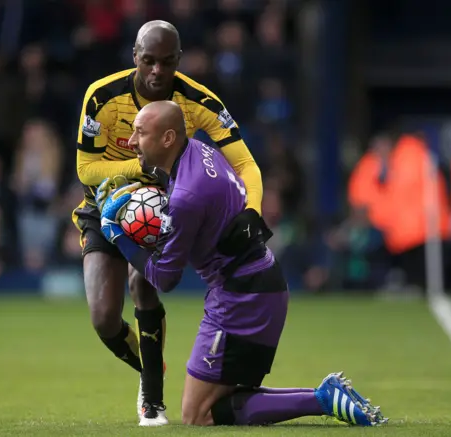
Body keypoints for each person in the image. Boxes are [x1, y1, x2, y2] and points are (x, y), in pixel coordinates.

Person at [97, 100, 388, 426]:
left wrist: (115, 234)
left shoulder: (186, 199)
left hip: (241, 298)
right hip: (261, 285)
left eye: (139, 133)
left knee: (198, 415)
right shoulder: (198, 150)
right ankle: (325, 396)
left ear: (167, 139)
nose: (131, 141)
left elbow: (165, 278)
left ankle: (322, 398)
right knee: (221, 402)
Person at [72, 20, 269, 426]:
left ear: (178, 60)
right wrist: (136, 168)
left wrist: (255, 209)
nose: (157, 71)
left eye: (166, 62)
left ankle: (152, 398)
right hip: (106, 204)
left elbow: (245, 162)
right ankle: (152, 364)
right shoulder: (101, 97)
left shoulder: (200, 101)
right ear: (135, 58)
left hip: (160, 201)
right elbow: (84, 168)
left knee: (142, 281)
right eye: (149, 61)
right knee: (103, 317)